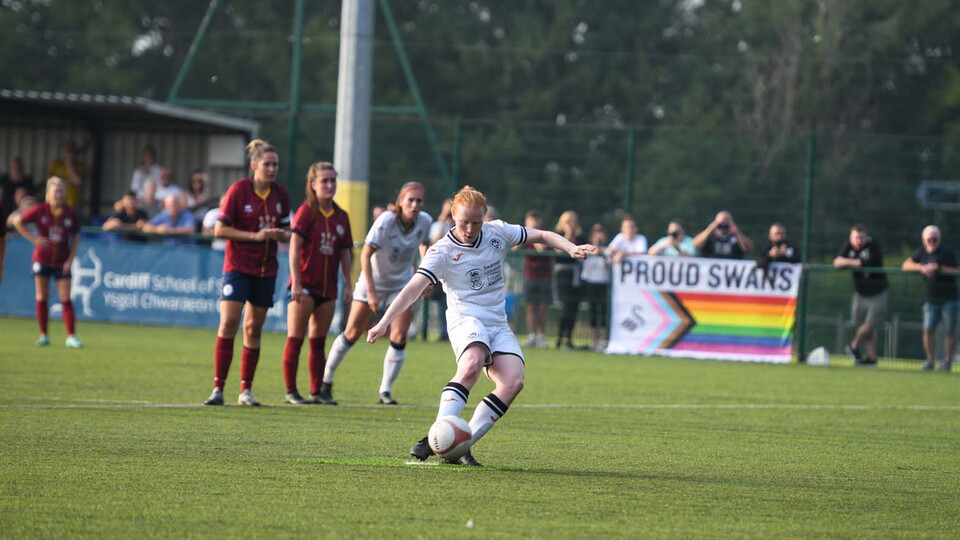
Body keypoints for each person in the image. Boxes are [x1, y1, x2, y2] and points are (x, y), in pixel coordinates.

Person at [367, 186, 594, 466]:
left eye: (476, 222)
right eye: (464, 222)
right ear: (453, 216)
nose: (470, 228)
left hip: (497, 322)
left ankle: (459, 444)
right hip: (465, 317)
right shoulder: (442, 251)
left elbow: (543, 235)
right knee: (472, 362)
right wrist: (384, 322)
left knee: (513, 382)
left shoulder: (497, 232)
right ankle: (442, 432)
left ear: (484, 217)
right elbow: (412, 289)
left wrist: (571, 248)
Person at [320, 182, 432, 405]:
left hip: (401, 284)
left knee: (399, 336)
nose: (415, 205)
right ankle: (325, 382)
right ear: (400, 201)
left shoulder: (425, 221)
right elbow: (366, 254)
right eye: (410, 200)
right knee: (352, 333)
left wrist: (425, 276)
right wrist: (370, 291)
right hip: (374, 282)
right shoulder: (386, 221)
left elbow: (424, 248)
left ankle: (385, 391)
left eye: (419, 201)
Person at [202, 139, 291, 406]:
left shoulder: (281, 195)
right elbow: (220, 229)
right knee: (229, 323)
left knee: (253, 328)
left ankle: (245, 391)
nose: (272, 169)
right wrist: (255, 236)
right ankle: (218, 389)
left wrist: (281, 234)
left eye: (275, 164)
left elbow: (288, 230)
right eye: (267, 164)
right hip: (238, 267)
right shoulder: (238, 190)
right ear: (254, 165)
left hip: (266, 269)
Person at [281, 162, 353, 405]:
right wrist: (296, 282)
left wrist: (348, 283)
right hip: (305, 285)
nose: (330, 185)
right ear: (313, 185)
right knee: (296, 337)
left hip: (328, 288)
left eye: (333, 180)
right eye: (324, 181)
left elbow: (345, 252)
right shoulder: (306, 212)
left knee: (319, 340)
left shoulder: (341, 216)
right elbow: (294, 247)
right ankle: (291, 391)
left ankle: (316, 392)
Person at [13, 177, 83, 348]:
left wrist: (70, 259)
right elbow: (17, 221)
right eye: (55, 190)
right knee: (42, 297)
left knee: (66, 298)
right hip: (42, 259)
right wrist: (33, 239)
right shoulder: (40, 210)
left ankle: (71, 336)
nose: (59, 193)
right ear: (48, 193)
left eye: (61, 190)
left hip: (62, 261)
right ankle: (44, 335)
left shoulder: (71, 213)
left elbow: (75, 238)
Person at [901, 225, 959, 372]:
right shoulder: (921, 252)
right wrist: (922, 267)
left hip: (949, 299)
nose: (932, 241)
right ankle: (930, 361)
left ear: (939, 239)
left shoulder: (947, 253)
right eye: (929, 239)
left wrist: (938, 268)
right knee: (928, 329)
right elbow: (906, 265)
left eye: (935, 239)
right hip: (931, 299)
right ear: (924, 240)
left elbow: (956, 271)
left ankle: (947, 362)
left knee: (950, 331)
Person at [833, 224, 888, 366]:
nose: (859, 241)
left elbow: (866, 262)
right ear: (851, 238)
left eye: (861, 237)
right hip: (860, 293)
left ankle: (853, 346)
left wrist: (849, 262)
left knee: (870, 324)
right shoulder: (849, 245)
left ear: (866, 236)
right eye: (856, 238)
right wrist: (853, 262)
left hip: (877, 292)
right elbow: (837, 262)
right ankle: (871, 358)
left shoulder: (872, 245)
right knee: (863, 325)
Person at [517, 209, 552, 348]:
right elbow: (514, 248)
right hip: (530, 275)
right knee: (531, 306)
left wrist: (534, 236)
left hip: (545, 276)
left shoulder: (543, 235)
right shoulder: (522, 235)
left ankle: (541, 335)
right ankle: (531, 335)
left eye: (536, 220)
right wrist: (525, 237)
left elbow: (542, 249)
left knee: (543, 306)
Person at [553, 210, 586, 349]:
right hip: (563, 275)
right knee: (566, 307)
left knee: (574, 307)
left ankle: (569, 338)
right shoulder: (558, 236)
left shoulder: (581, 238)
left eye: (573, 222)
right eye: (568, 222)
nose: (571, 225)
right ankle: (560, 338)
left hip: (576, 275)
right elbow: (558, 251)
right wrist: (567, 235)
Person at [429, 198, 455, 342]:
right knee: (441, 303)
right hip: (441, 269)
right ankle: (443, 331)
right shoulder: (437, 225)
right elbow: (435, 241)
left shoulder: (460, 225)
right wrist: (442, 222)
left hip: (455, 268)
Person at [581, 224, 610, 351]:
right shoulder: (587, 249)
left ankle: (603, 341)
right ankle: (594, 341)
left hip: (603, 282)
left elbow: (609, 264)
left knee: (603, 312)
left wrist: (603, 254)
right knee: (593, 311)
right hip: (591, 282)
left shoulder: (608, 251)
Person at [47, 141, 87, 209]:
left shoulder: (81, 166)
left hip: (73, 204)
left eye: (72, 151)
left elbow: (77, 182)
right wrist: (67, 182)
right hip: (56, 203)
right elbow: (49, 181)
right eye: (67, 151)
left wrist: (69, 165)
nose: (70, 153)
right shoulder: (56, 164)